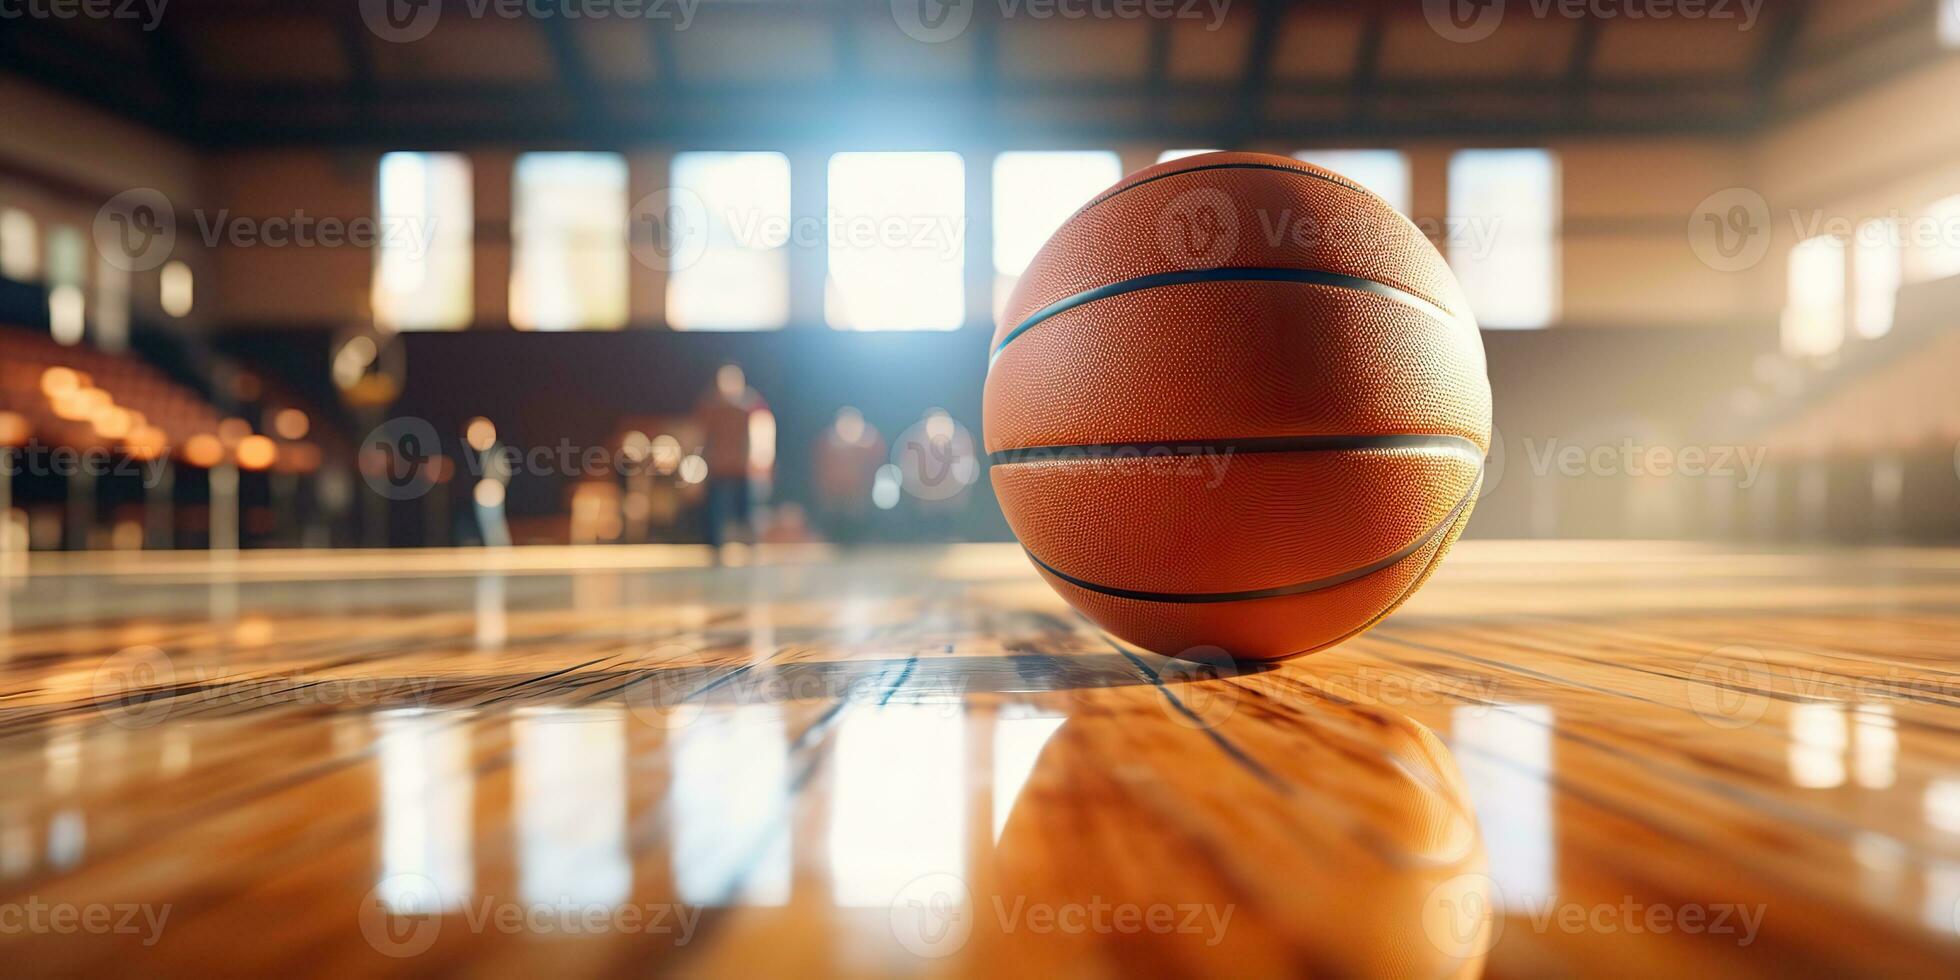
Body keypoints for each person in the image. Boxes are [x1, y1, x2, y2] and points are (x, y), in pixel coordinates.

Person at [693, 363, 760, 550]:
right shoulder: (711, 408)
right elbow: (704, 437)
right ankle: (715, 545)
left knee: (745, 510)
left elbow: (753, 436)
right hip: (718, 467)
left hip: (739, 467)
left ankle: (748, 544)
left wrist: (753, 460)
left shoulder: (746, 408)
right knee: (715, 510)